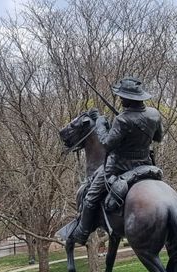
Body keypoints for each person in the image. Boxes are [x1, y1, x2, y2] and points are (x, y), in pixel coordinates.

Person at [59, 76, 163, 245]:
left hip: (120, 166)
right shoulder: (154, 114)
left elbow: (107, 144)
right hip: (145, 164)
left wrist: (100, 124)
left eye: (122, 97)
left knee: (90, 197)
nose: (120, 100)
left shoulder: (122, 119)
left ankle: (82, 232)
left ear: (129, 99)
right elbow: (158, 137)